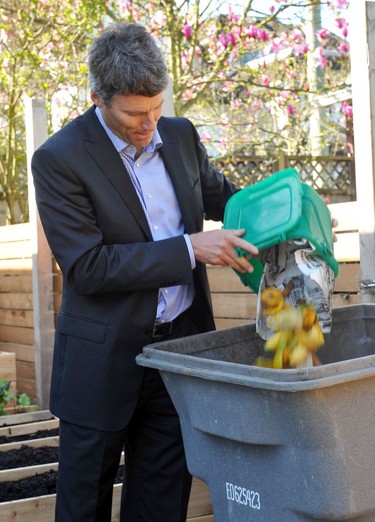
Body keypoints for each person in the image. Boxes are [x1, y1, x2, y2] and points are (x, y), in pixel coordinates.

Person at [31, 22, 259, 522]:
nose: (150, 122)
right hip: (101, 361)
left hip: (179, 354)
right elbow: (88, 267)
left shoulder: (180, 136)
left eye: (157, 107)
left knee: (162, 503)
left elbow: (230, 200)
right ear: (98, 97)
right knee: (83, 504)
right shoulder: (59, 159)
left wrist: (288, 210)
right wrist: (188, 249)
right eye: (135, 113)